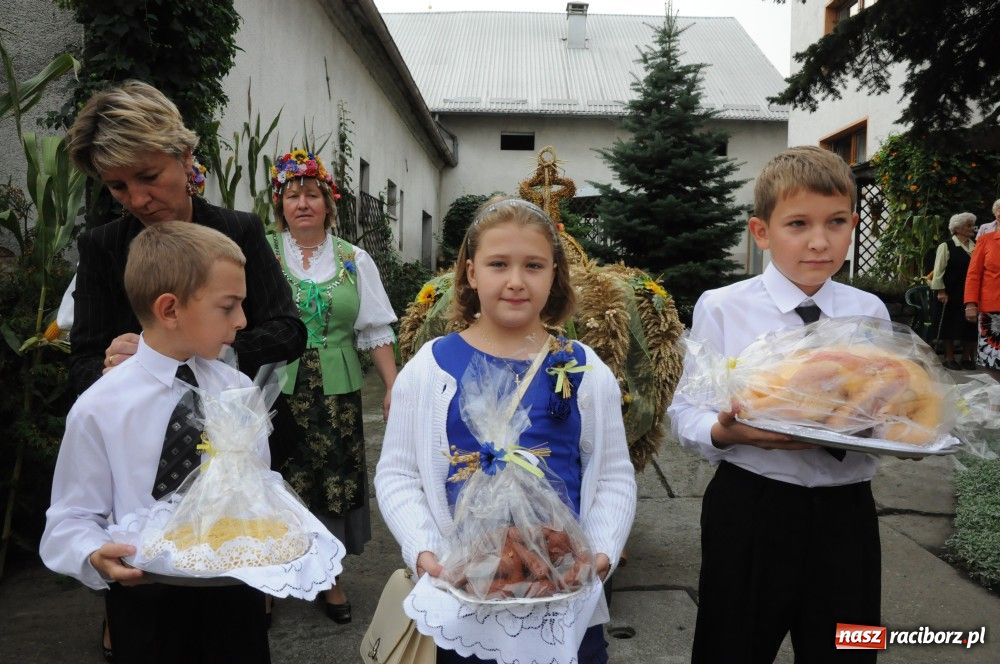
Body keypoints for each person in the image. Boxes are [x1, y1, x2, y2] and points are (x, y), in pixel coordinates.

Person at [65, 79, 305, 657]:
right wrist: (112, 363)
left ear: (185, 156)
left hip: (233, 441)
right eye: (117, 186)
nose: (137, 198)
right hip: (142, 462)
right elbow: (81, 363)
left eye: (148, 176)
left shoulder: (237, 232)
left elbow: (288, 329)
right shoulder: (103, 246)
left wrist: (209, 354)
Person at [375, 197, 637, 663]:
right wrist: (424, 548)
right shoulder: (430, 369)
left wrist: (601, 550)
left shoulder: (584, 370)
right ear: (471, 273)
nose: (516, 280)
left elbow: (614, 472)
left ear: (554, 274)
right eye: (498, 264)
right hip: (463, 594)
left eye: (533, 265)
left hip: (561, 598)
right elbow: (398, 473)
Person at [668, 146, 890, 664]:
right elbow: (686, 411)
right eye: (798, 224)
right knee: (729, 647)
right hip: (752, 507)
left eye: (836, 222)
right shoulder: (723, 307)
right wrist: (725, 432)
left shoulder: (869, 312)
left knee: (851, 647)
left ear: (853, 225)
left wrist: (894, 422)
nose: (819, 241)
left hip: (847, 513)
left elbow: (884, 404)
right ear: (761, 232)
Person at [40, 222, 270, 663]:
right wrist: (93, 553)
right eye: (229, 306)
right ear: (170, 309)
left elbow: (257, 487)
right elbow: (70, 517)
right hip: (144, 603)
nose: (243, 320)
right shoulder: (100, 406)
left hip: (233, 594)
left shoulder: (238, 390)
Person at [268, 148, 397, 623]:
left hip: (336, 393)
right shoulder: (260, 253)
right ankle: (271, 577)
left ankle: (329, 577)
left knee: (333, 482)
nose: (302, 203)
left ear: (328, 203)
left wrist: (393, 386)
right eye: (292, 195)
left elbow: (375, 328)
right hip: (274, 388)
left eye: (312, 194)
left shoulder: (353, 259)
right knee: (275, 479)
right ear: (280, 205)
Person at [930, 212, 977, 369]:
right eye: (968, 225)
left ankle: (966, 358)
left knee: (970, 325)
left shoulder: (976, 246)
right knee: (948, 325)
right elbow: (938, 271)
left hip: (969, 292)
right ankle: (949, 358)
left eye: (972, 225)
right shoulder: (946, 246)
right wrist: (941, 291)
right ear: (957, 228)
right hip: (949, 292)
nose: (972, 228)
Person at [964, 206, 1000, 377]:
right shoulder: (985, 240)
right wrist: (970, 303)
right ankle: (995, 393)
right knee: (991, 359)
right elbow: (973, 274)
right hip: (991, 309)